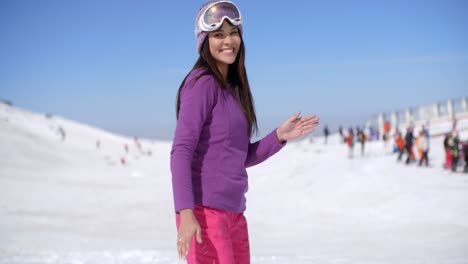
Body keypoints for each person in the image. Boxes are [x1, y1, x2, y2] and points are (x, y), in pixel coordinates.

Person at [170, 1, 320, 262]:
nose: (229, 41)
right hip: (205, 213)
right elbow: (181, 150)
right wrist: (186, 213)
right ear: (204, 41)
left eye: (234, 32)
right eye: (218, 35)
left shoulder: (233, 91)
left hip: (234, 213)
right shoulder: (201, 84)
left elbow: (238, 155)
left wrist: (278, 137)